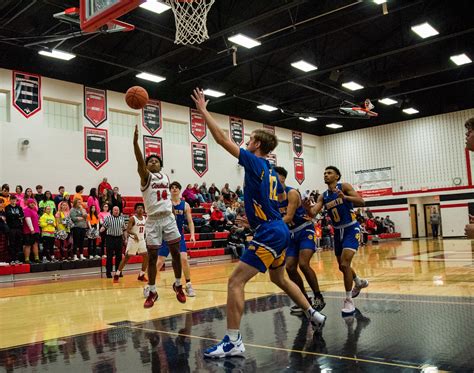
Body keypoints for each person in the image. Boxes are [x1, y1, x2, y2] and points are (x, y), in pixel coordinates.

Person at [191, 88, 326, 359]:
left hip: (270, 232)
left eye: (250, 139)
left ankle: (232, 341)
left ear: (257, 146)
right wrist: (254, 220)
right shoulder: (271, 172)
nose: (247, 141)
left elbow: (220, 139)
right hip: (275, 229)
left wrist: (203, 111)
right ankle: (313, 313)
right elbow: (269, 203)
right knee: (279, 277)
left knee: (235, 282)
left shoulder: (254, 161)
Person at [303, 166, 369, 315]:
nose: (326, 175)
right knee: (342, 266)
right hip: (337, 231)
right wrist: (307, 208)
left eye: (329, 173)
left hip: (351, 228)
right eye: (324, 173)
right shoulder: (323, 196)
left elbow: (361, 201)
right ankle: (357, 281)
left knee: (345, 263)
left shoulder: (344, 187)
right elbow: (313, 213)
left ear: (337, 176)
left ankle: (348, 300)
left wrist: (345, 198)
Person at [133, 124, 186, 308]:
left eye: (156, 160)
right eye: (150, 161)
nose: (153, 161)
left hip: (168, 218)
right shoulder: (145, 177)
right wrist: (135, 144)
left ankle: (178, 285)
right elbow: (140, 162)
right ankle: (153, 291)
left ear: (161, 165)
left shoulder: (165, 177)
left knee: (176, 253)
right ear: (146, 166)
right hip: (153, 219)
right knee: (154, 257)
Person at [274, 166, 325, 313]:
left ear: (282, 178)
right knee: (290, 267)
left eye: (274, 176)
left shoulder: (292, 193)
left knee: (303, 264)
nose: (270, 179)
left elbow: (289, 217)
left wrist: (271, 226)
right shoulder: (272, 197)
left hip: (304, 229)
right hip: (290, 234)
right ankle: (304, 300)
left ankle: (318, 296)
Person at [155, 182, 197, 296]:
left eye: (176, 188)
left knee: (184, 259)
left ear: (179, 190)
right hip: (166, 236)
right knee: (159, 262)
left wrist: (192, 235)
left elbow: (190, 221)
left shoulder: (185, 205)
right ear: (170, 190)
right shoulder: (165, 204)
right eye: (172, 188)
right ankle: (150, 287)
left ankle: (188, 285)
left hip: (179, 237)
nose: (174, 189)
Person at [113, 203, 148, 283]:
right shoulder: (133, 218)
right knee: (126, 258)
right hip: (133, 240)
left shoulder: (145, 218)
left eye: (141, 208)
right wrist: (134, 234)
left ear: (143, 210)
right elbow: (128, 230)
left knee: (146, 256)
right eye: (138, 208)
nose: (140, 209)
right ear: (135, 210)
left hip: (141, 240)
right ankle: (117, 274)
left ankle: (141, 275)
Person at [101, 206, 126, 278]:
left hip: (119, 238)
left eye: (117, 210)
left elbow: (124, 229)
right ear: (112, 211)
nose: (116, 211)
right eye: (115, 210)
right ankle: (108, 272)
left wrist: (125, 238)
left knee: (119, 256)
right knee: (109, 256)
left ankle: (118, 272)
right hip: (110, 238)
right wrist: (99, 231)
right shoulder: (108, 218)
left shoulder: (122, 218)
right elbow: (104, 227)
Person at [5, 195, 24, 264]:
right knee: (12, 243)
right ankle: (12, 259)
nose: (13, 201)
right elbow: (9, 216)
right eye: (12, 200)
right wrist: (17, 215)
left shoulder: (19, 207)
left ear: (16, 200)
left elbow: (22, 216)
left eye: (14, 200)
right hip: (11, 228)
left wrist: (16, 216)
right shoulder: (7, 207)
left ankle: (17, 259)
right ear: (10, 200)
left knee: (18, 244)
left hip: (18, 228)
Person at [22, 198, 40, 263]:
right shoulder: (26, 210)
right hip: (29, 231)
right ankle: (27, 259)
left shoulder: (34, 210)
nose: (32, 204)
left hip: (36, 230)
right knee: (28, 245)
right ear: (28, 203)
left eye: (33, 203)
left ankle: (36, 258)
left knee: (35, 244)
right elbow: (28, 220)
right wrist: (32, 229)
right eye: (31, 203)